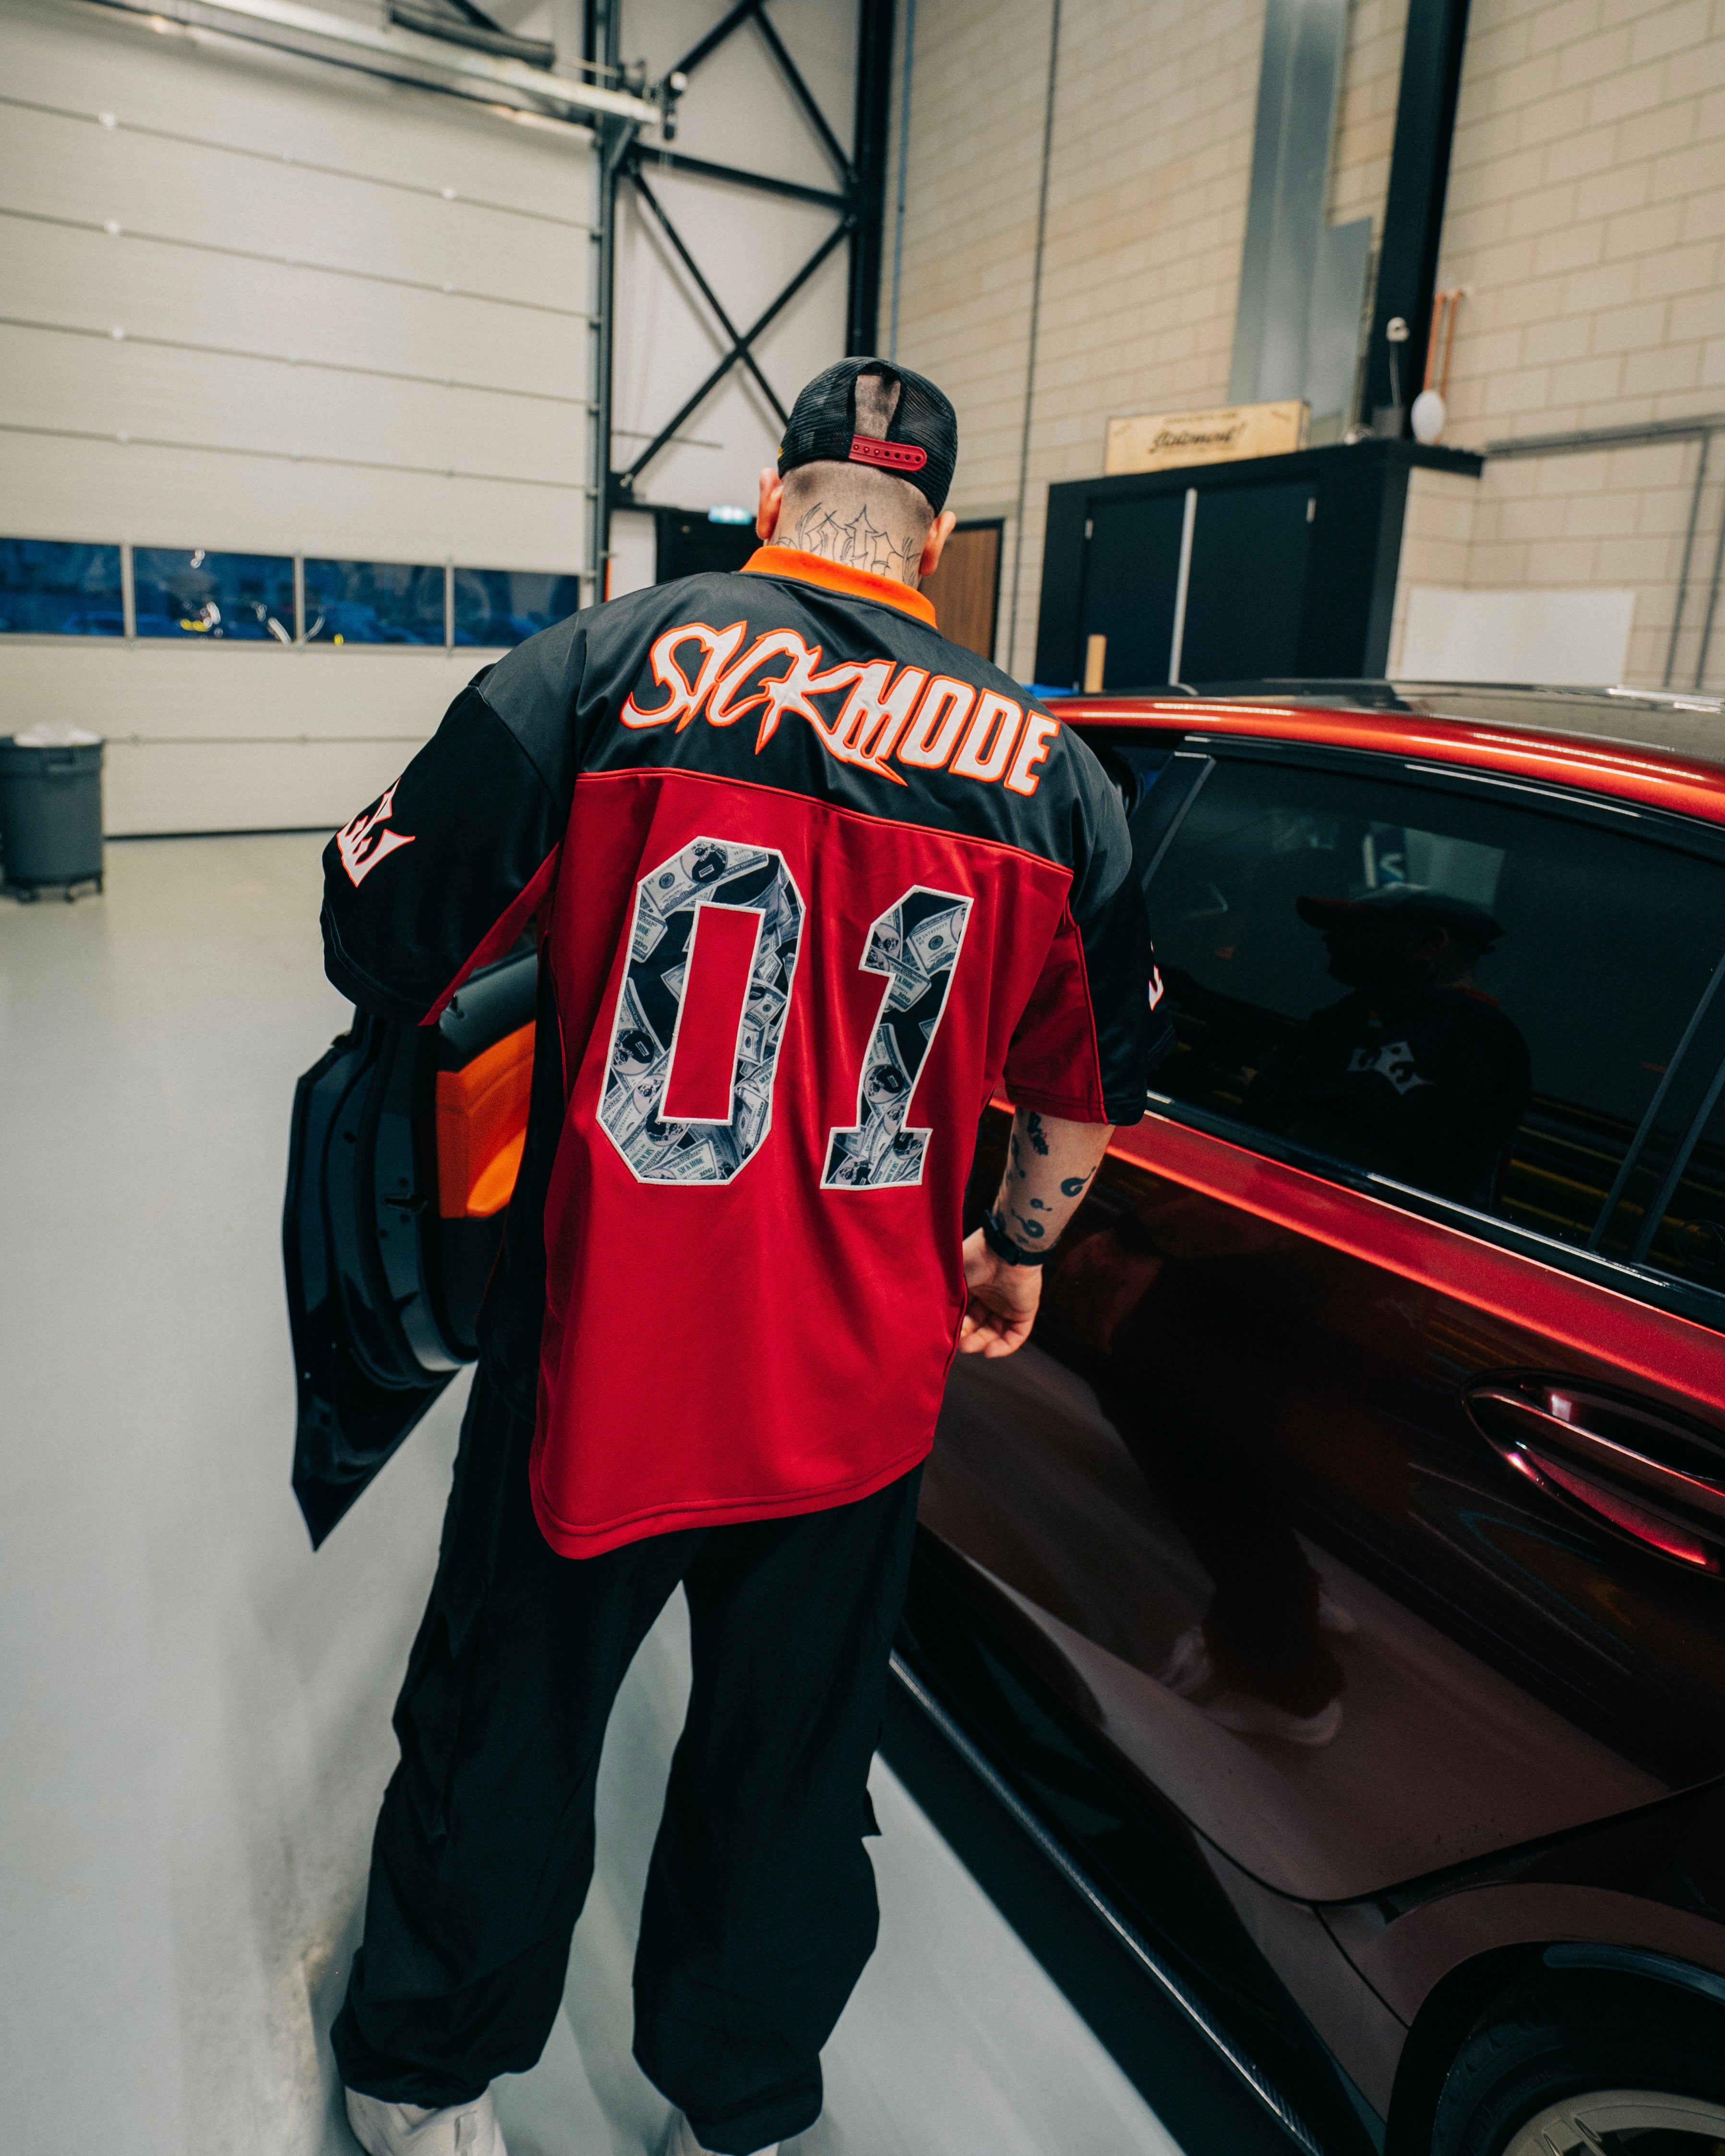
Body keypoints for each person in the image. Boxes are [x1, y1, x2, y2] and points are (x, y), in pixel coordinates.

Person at [319, 357, 1164, 2156]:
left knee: (504, 1725)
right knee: (790, 1766)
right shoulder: (1055, 778)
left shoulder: (598, 670)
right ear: (934, 537)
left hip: (601, 1359)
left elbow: (377, 931)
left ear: (775, 501)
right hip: (855, 1394)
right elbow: (1075, 1105)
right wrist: (1010, 1249)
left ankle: (420, 2078)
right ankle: (746, 2107)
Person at [1242, 883, 1531, 1203]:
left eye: (1360, 928)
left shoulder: (1459, 1034)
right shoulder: (1363, 1014)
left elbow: (1337, 1157)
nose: (1331, 937)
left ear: (1430, 943)